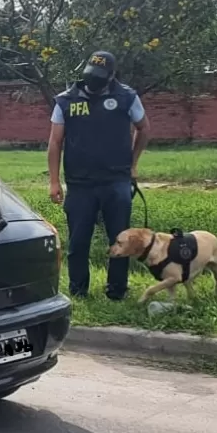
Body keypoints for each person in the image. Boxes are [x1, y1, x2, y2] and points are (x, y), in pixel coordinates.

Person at [47, 51, 151, 300]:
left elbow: (144, 128)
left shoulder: (126, 96)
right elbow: (55, 141)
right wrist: (53, 181)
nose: (94, 83)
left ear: (111, 76)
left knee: (121, 239)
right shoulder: (66, 100)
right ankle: (78, 291)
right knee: (78, 242)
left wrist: (133, 165)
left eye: (100, 78)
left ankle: (117, 291)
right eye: (90, 77)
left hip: (117, 181)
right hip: (80, 184)